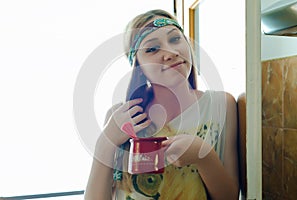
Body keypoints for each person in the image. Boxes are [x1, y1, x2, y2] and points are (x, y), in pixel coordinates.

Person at [84, 9, 239, 200]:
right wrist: (105, 142)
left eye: (175, 39)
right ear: (138, 66)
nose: (171, 53)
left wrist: (203, 156)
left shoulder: (221, 105)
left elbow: (229, 197)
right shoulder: (120, 117)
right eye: (152, 49)